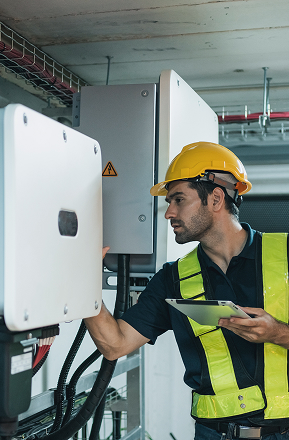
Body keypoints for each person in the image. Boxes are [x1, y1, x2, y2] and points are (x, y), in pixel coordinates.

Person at [85, 141, 289, 440]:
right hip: (212, 434)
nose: (169, 213)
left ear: (216, 198)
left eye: (178, 200)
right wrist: (83, 282)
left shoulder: (285, 253)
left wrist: (277, 333)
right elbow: (115, 344)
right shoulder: (172, 277)